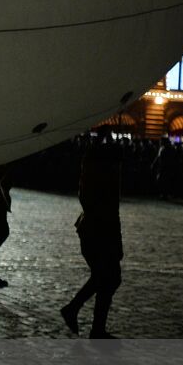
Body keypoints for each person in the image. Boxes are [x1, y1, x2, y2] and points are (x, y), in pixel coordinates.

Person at [62, 139, 123, 338]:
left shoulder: (90, 176)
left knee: (107, 278)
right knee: (107, 277)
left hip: (94, 230)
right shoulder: (102, 179)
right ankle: (75, 310)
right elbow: (109, 213)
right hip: (99, 232)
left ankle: (96, 326)